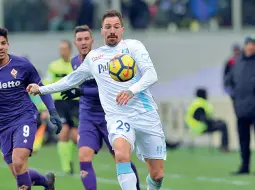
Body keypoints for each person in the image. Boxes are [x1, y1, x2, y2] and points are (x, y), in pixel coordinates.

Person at [28, 10, 166, 190]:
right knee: (121, 155)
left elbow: (151, 75)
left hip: (145, 114)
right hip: (118, 116)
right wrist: (42, 89)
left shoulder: (134, 47)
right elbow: (71, 79)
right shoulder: (95, 58)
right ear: (102, 31)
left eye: (116, 27)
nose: (112, 30)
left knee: (157, 174)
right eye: (108, 27)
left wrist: (132, 90)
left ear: (122, 29)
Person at [0, 27, 62, 190]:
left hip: (24, 117)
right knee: (18, 171)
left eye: (3, 43)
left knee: (18, 161)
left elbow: (41, 88)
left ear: (8, 45)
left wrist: (52, 111)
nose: (0, 47)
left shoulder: (22, 64)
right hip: (2, 124)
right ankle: (46, 182)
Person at [60, 25, 141, 190]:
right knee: (84, 156)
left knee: (121, 157)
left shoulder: (104, 60)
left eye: (86, 39)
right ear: (75, 43)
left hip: (109, 115)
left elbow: (108, 88)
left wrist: (81, 91)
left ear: (92, 41)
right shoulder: (75, 62)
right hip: (87, 117)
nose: (83, 42)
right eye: (79, 39)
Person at [43, 40, 78, 174]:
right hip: (60, 103)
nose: (62, 51)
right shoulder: (53, 66)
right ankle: (66, 167)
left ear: (70, 50)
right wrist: (45, 105)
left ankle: (73, 159)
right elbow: (47, 82)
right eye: (60, 49)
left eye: (64, 49)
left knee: (76, 136)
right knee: (63, 132)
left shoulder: (76, 64)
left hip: (75, 102)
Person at [225, 36, 255, 175]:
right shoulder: (236, 62)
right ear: (245, 46)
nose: (251, 47)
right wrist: (234, 97)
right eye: (249, 44)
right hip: (241, 108)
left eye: (253, 44)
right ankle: (244, 166)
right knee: (243, 139)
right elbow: (228, 82)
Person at [185, 88, 229, 152]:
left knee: (220, 122)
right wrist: (214, 122)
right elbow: (203, 119)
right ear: (203, 94)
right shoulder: (201, 104)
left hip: (193, 128)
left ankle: (224, 147)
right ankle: (224, 147)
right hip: (201, 128)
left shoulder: (195, 103)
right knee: (223, 125)